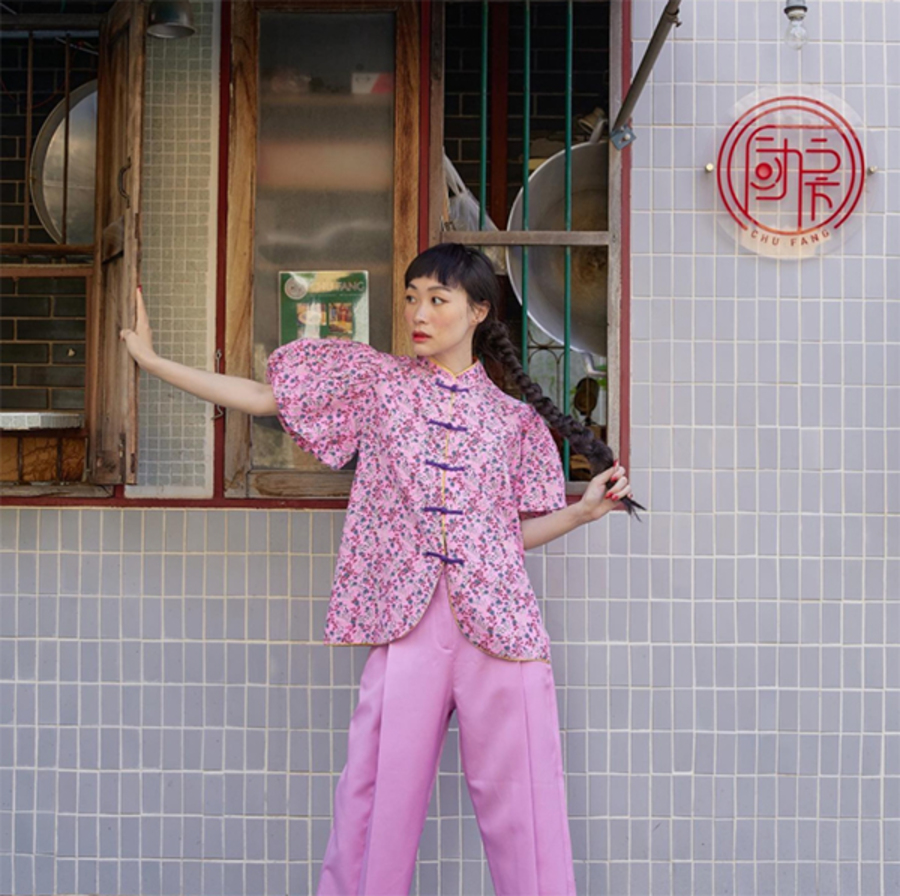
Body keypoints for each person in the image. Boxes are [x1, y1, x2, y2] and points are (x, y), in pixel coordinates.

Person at [121, 242, 639, 896]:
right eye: (412, 296)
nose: (418, 313)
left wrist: (582, 513)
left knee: (530, 815)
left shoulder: (515, 422)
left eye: (437, 299)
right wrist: (153, 362)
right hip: (407, 629)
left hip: (503, 633)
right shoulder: (376, 384)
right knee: (371, 812)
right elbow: (260, 397)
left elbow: (508, 538)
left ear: (479, 311)